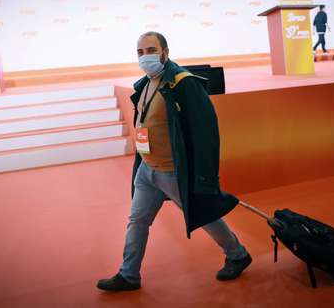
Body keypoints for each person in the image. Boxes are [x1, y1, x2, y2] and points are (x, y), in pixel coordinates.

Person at [97, 32, 251, 292]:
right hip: (147, 171)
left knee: (203, 216)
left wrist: (205, 176)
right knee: (137, 220)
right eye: (140, 52)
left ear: (165, 53)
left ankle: (237, 254)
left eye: (151, 50)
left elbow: (206, 133)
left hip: (173, 172)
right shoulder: (145, 84)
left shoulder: (183, 83)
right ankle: (129, 275)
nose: (145, 56)